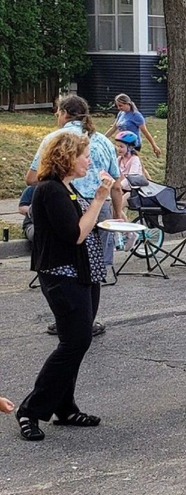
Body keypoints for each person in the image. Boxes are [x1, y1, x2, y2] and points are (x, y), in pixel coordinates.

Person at [18, 132, 116, 441]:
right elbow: (75, 234)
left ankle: (65, 406)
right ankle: (30, 410)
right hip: (63, 275)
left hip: (83, 273)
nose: (89, 160)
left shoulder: (66, 187)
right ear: (66, 158)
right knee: (74, 341)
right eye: (84, 155)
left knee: (79, 340)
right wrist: (100, 199)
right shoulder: (49, 190)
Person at [28, 95, 122, 336]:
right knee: (91, 266)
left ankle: (76, 322)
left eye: (57, 112)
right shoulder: (102, 139)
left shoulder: (55, 139)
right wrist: (118, 211)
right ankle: (83, 322)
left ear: (64, 113)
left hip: (78, 205)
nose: (88, 162)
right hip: (94, 208)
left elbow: (32, 178)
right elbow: (117, 184)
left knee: (80, 265)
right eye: (86, 158)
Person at [105, 93, 162, 158]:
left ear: (127, 103)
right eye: (117, 106)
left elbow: (145, 132)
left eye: (120, 105)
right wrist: (103, 137)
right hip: (122, 143)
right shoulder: (121, 113)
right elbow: (113, 128)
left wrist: (154, 146)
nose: (118, 108)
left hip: (132, 144)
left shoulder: (136, 115)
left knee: (132, 163)